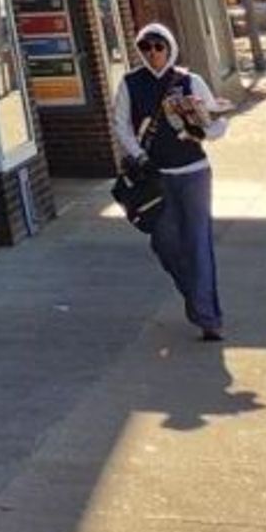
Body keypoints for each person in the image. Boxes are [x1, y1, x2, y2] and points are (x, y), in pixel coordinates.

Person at [114, 22, 227, 340]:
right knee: (164, 242)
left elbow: (218, 125)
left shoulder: (191, 81)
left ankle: (208, 317)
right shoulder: (130, 83)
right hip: (155, 177)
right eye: (146, 48)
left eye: (158, 47)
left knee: (198, 242)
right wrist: (138, 156)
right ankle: (195, 294)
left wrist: (202, 128)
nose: (153, 54)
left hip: (193, 172)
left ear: (170, 47)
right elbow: (120, 123)